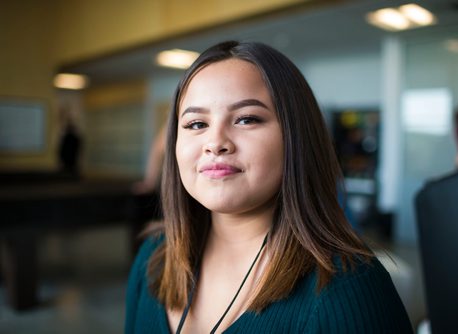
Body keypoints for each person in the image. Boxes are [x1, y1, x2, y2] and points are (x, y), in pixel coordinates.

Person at [125, 41, 412, 333]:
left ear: (295, 138)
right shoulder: (153, 257)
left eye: (247, 119)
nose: (215, 143)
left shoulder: (351, 287)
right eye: (197, 124)